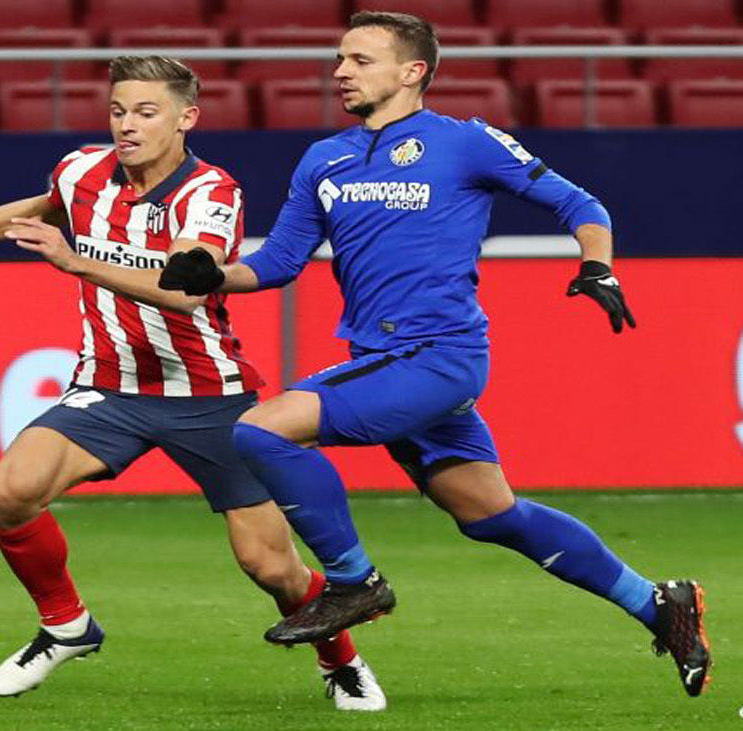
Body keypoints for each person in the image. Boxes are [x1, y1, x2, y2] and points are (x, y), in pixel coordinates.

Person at [158, 11, 711, 698]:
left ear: (412, 71)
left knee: (260, 430)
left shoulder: (463, 143)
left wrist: (598, 265)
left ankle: (355, 581)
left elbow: (579, 201)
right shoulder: (323, 159)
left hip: (435, 355)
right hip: (387, 360)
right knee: (491, 514)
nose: (340, 71)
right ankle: (657, 602)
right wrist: (215, 275)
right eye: (340, 58)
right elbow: (278, 260)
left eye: (360, 59)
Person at [0, 56, 386, 711]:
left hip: (210, 398)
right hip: (109, 389)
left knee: (271, 566)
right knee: (10, 491)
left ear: (186, 118)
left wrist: (73, 260)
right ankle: (66, 625)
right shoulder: (81, 170)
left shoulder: (211, 193)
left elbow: (189, 294)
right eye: (117, 110)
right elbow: (40, 208)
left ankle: (342, 661)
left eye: (144, 112)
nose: (125, 125)